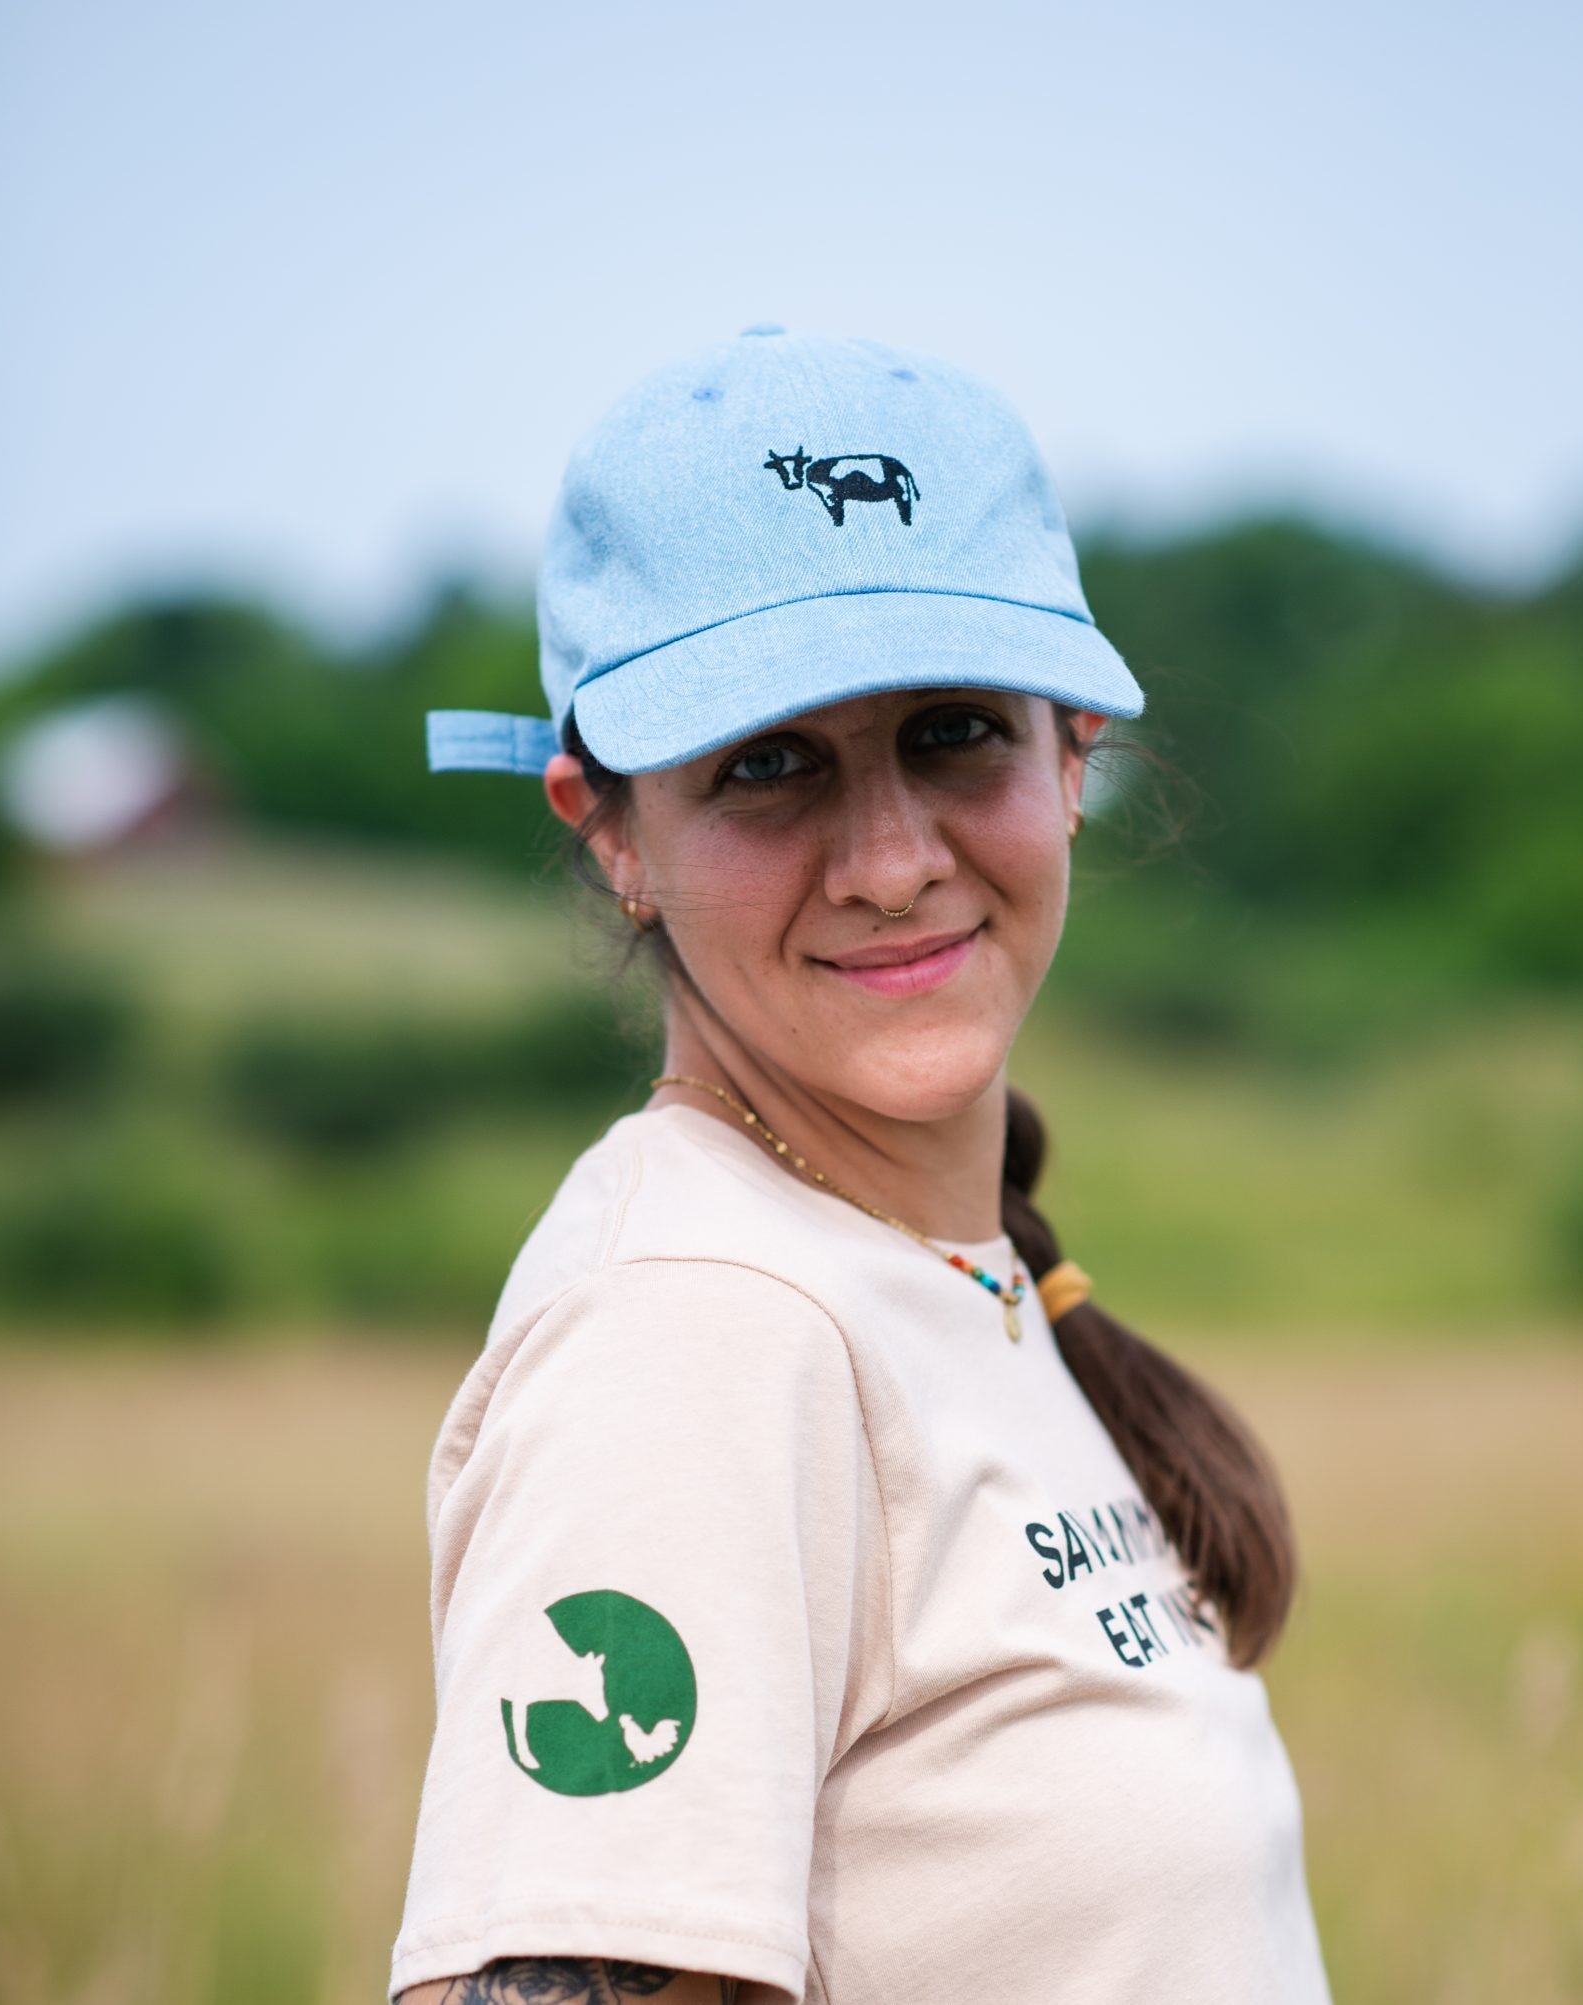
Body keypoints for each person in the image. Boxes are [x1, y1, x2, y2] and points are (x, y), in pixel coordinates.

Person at [390, 327, 1332, 2005]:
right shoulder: (696, 1332)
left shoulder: (935, 1271)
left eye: (953, 729)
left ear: (1072, 756)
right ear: (609, 829)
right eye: (767, 763)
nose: (891, 862)